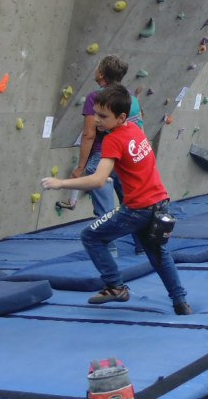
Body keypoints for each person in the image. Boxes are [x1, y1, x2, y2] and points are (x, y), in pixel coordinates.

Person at [40, 85, 192, 314]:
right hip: (159, 203)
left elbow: (97, 180)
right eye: (95, 114)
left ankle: (115, 286)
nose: (96, 120)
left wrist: (61, 183)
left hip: (137, 209)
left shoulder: (112, 140)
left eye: (102, 116)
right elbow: (133, 164)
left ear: (120, 117)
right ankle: (180, 302)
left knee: (90, 236)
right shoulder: (135, 129)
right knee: (157, 253)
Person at [58, 55, 130, 215]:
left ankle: (107, 236)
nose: (95, 69)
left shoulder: (95, 98)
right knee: (131, 208)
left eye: (98, 67)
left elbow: (89, 134)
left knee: (105, 215)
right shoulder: (127, 97)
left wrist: (80, 167)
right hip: (125, 155)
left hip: (102, 155)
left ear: (102, 74)